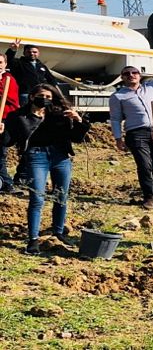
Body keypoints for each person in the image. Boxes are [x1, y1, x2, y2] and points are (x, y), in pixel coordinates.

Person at [0, 84, 90, 255]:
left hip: (61, 156)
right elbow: (8, 142)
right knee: (37, 197)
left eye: (49, 97)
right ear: (32, 97)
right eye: (42, 96)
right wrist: (2, 131)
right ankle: (33, 239)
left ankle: (58, 231)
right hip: (36, 156)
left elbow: (77, 137)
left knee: (61, 195)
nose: (46, 100)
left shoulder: (59, 114)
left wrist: (78, 120)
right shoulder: (18, 116)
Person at [109, 40, 153, 210]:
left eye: (134, 72)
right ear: (122, 78)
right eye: (127, 74)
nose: (131, 75)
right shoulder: (118, 96)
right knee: (145, 165)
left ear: (139, 75)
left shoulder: (152, 86)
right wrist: (118, 138)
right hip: (136, 134)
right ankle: (149, 197)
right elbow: (116, 119)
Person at [5, 39, 58, 106]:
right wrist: (12, 50)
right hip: (25, 94)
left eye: (34, 52)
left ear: (38, 53)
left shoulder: (41, 66)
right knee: (25, 113)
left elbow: (51, 79)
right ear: (24, 53)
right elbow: (8, 60)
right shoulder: (18, 63)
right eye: (29, 52)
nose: (32, 53)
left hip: (39, 94)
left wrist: (52, 91)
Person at [0, 53, 20, 194]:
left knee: (0, 152)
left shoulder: (9, 80)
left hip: (4, 120)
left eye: (0, 62)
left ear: (5, 64)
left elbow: (12, 101)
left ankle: (7, 183)